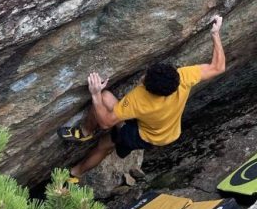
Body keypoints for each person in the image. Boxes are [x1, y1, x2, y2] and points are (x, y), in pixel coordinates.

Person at [57, 15, 225, 181]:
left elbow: (105, 122)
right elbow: (218, 67)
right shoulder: (182, 78)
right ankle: (86, 132)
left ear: (147, 87)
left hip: (145, 135)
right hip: (168, 129)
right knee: (106, 97)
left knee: (104, 144)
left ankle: (75, 173)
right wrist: (215, 34)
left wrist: (94, 94)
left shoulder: (140, 100)